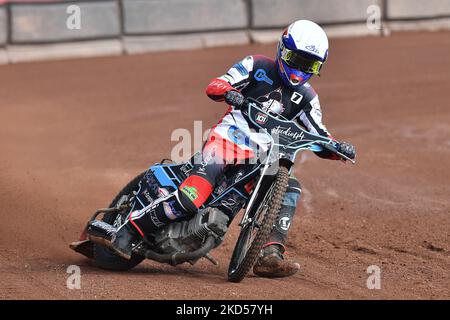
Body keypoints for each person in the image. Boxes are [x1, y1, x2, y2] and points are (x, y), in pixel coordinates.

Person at [89, 20, 356, 278]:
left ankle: (270, 255)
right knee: (191, 198)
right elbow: (216, 84)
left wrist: (337, 147)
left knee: (290, 187)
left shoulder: (308, 99)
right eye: (295, 60)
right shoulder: (257, 65)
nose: (299, 70)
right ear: (282, 50)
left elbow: (318, 134)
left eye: (308, 65)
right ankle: (126, 232)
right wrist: (229, 92)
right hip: (226, 143)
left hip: (264, 159)